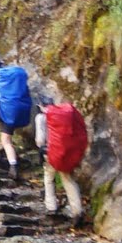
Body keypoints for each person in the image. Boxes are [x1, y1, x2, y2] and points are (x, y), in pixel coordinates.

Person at [34, 95, 87, 224]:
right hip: (65, 153)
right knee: (68, 179)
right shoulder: (64, 117)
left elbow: (40, 139)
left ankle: (51, 207)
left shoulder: (41, 117)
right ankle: (77, 211)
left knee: (48, 178)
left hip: (51, 153)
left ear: (41, 105)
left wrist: (40, 148)